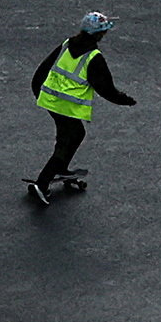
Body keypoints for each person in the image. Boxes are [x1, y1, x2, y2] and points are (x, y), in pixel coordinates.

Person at [30, 10, 134, 191]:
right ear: (99, 33)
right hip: (66, 105)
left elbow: (44, 68)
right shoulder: (93, 57)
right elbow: (106, 89)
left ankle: (60, 169)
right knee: (68, 139)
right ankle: (42, 182)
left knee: (75, 134)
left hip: (50, 99)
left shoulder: (66, 44)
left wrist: (38, 91)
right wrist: (126, 100)